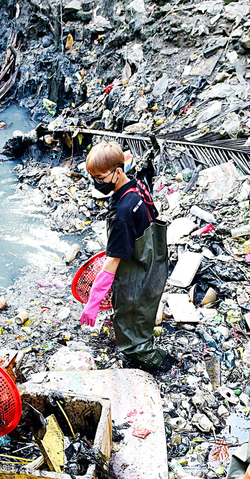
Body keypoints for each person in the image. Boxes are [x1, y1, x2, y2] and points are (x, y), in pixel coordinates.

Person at [79, 141, 170, 371]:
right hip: (155, 260)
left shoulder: (123, 213)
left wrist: (92, 304)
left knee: (132, 336)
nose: (96, 183)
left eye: (100, 177)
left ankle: (163, 365)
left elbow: (110, 266)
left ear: (118, 171)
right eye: (93, 177)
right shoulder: (137, 186)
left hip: (138, 273)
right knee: (141, 316)